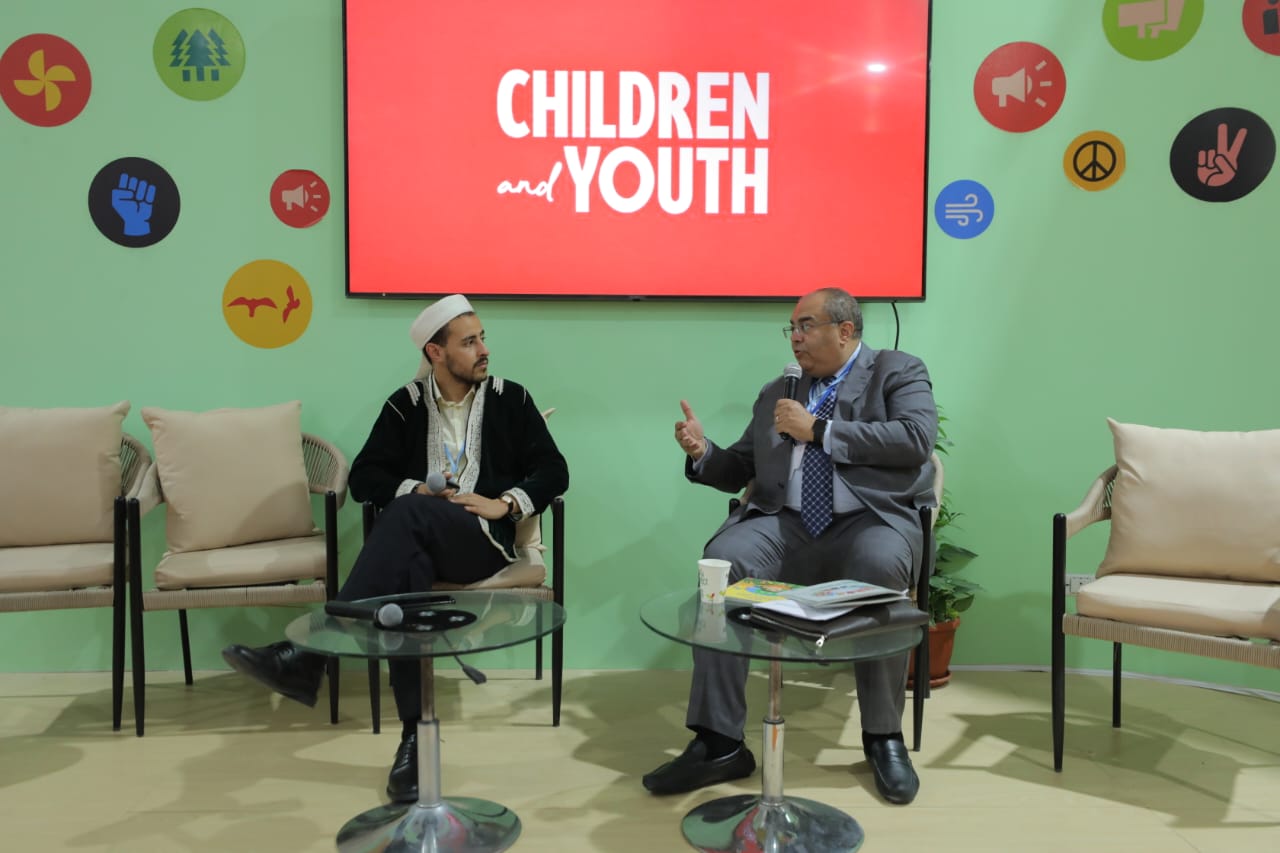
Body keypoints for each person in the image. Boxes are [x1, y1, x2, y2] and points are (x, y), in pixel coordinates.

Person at [221, 294, 569, 803]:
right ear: (435, 352)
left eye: (482, 338)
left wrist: (504, 504)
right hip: (425, 539)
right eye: (469, 342)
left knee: (405, 515)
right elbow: (366, 476)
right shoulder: (404, 405)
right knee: (408, 576)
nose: (483, 350)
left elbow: (554, 470)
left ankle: (310, 653)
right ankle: (414, 740)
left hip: (482, 543)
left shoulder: (510, 399)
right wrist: (418, 489)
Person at [642, 287, 937, 805]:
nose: (795, 338)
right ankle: (719, 743)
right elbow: (743, 466)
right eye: (792, 329)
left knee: (881, 563)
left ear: (845, 330)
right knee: (723, 563)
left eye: (805, 326)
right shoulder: (779, 390)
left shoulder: (896, 371)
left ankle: (883, 737)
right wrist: (703, 451)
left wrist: (819, 429)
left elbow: (915, 439)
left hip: (868, 521)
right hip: (787, 523)